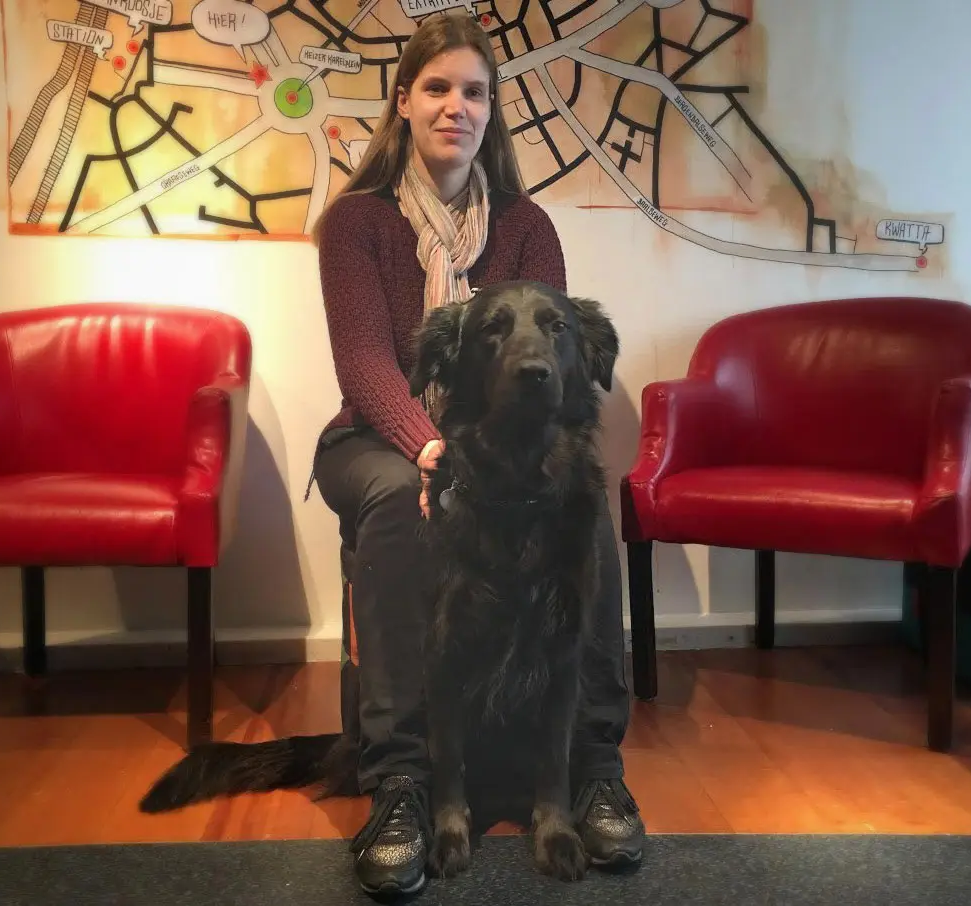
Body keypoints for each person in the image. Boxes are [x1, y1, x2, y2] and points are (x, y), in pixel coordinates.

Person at [307, 10, 644, 896]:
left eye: (474, 91)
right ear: (404, 103)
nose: (456, 106)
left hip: (504, 442)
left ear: (491, 111)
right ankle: (406, 781)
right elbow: (365, 362)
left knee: (586, 505)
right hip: (374, 437)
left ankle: (594, 763)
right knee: (396, 508)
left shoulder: (527, 223)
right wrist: (427, 450)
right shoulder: (356, 224)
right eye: (437, 88)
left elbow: (552, 361)